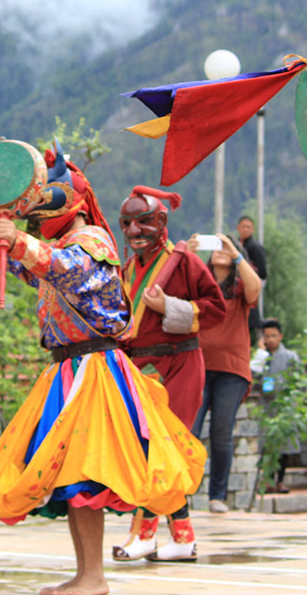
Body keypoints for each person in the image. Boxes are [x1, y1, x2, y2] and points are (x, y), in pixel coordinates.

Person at [0, 145, 205, 595]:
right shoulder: (61, 246)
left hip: (95, 371)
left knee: (83, 474)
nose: (34, 216)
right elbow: (28, 267)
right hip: (72, 369)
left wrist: (18, 241)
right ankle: (86, 575)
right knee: (73, 477)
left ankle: (93, 578)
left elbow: (63, 268)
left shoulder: (90, 242)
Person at [112, 186, 225, 562]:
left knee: (165, 450)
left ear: (160, 224)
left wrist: (169, 307)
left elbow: (215, 309)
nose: (134, 231)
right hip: (141, 369)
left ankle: (143, 534)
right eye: (128, 223)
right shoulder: (127, 269)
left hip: (180, 364)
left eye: (143, 223)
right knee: (152, 451)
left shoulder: (186, 262)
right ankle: (183, 537)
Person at [189, 233, 261, 513]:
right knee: (189, 430)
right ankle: (181, 491)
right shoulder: (200, 280)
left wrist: (237, 254)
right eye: (216, 246)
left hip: (231, 370)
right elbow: (175, 290)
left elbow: (257, 289)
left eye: (225, 246)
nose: (220, 250)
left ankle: (217, 496)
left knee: (221, 431)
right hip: (197, 365)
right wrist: (188, 253)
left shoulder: (241, 285)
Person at [255, 318, 301, 493]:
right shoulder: (262, 357)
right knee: (267, 445)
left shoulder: (291, 357)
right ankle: (267, 480)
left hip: (284, 406)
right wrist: (260, 353)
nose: (271, 340)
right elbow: (253, 376)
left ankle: (280, 480)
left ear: (280, 336)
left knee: (283, 445)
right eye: (267, 336)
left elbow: (299, 381)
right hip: (266, 406)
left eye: (274, 335)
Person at [236, 215, 268, 341]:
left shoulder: (255, 247)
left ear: (253, 229)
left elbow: (263, 273)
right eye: (243, 226)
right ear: (238, 228)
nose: (245, 229)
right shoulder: (236, 245)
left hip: (249, 287)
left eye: (248, 227)